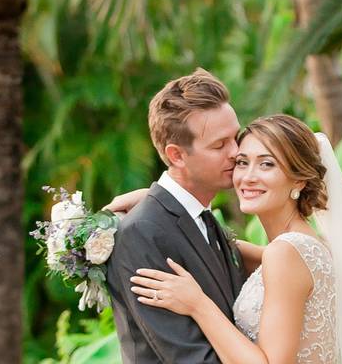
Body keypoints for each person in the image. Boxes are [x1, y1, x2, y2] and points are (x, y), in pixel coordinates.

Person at [112, 105, 342, 363]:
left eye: (267, 164)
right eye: (242, 162)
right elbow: (219, 245)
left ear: (299, 179)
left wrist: (198, 304)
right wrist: (160, 202)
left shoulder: (285, 254)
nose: (248, 176)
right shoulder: (304, 248)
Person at [104, 69, 247, 363]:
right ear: (176, 155)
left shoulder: (203, 217)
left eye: (237, 137)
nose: (236, 153)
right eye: (219, 145)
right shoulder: (141, 232)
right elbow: (189, 357)